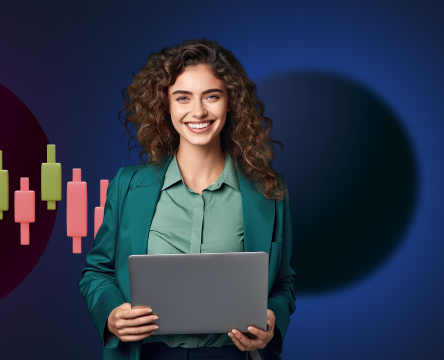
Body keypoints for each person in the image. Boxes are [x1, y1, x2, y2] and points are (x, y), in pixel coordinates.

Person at [79, 38, 296, 360]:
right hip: (149, 354)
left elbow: (283, 282)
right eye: (183, 98)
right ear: (165, 105)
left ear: (231, 102)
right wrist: (111, 314)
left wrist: (272, 321)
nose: (198, 111)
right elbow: (98, 271)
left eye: (212, 96)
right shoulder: (127, 185)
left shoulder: (268, 190)